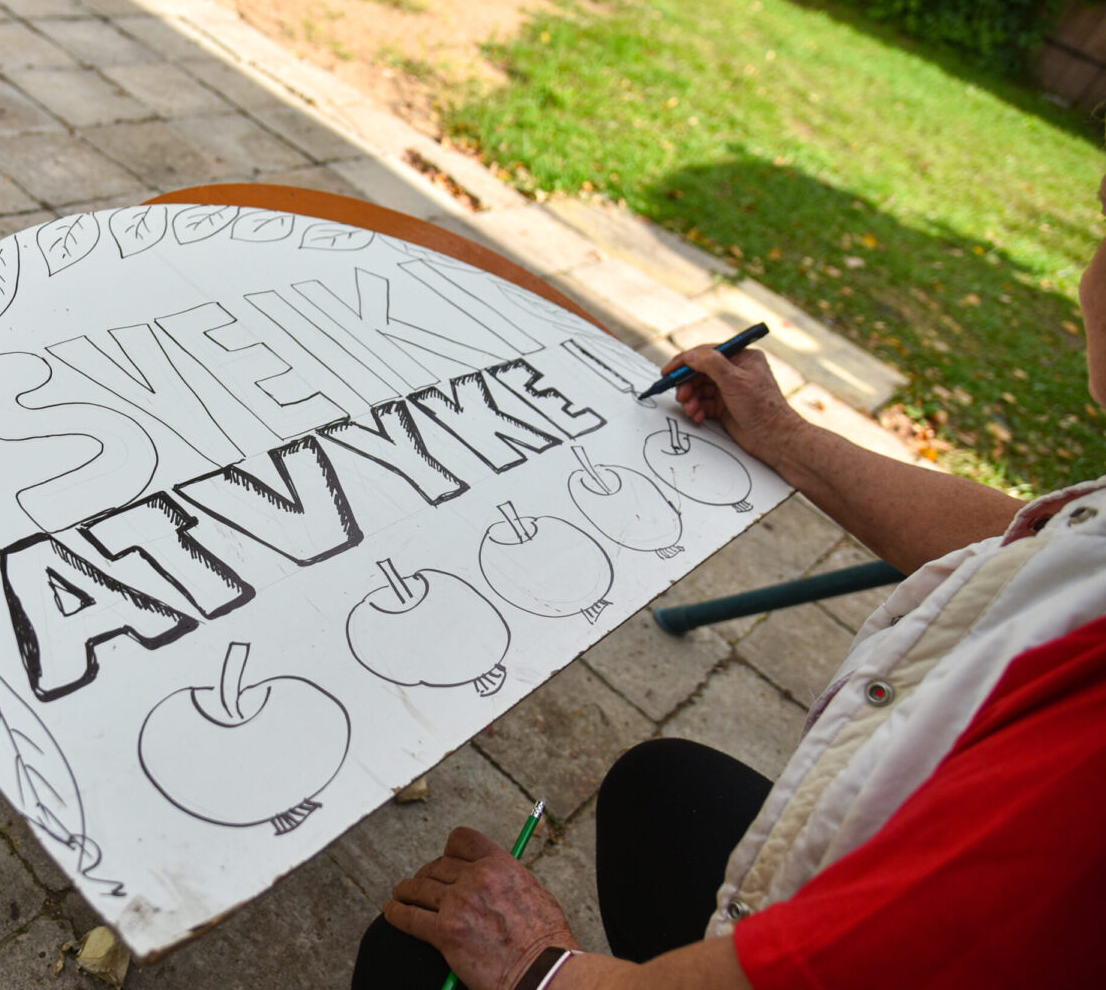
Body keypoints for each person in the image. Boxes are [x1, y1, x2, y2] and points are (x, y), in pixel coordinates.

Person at [351, 175, 1106, 990]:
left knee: (414, 960)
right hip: (874, 897)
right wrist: (783, 434)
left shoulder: (1074, 773)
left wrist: (535, 963)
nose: (1084, 274)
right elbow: (1038, 547)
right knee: (664, 789)